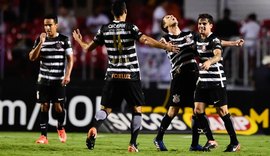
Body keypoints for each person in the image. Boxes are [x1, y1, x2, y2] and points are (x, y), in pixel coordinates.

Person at [72, 0, 179, 152]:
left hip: (112, 75)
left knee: (106, 109)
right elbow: (146, 40)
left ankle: (94, 128)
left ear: (112, 13)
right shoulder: (130, 27)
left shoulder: (104, 29)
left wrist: (79, 41)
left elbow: (89, 49)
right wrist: (165, 46)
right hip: (130, 75)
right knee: (137, 110)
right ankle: (132, 144)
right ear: (125, 11)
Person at [152, 14, 244, 152]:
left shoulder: (190, 35)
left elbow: (211, 41)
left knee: (197, 111)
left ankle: (195, 144)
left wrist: (233, 43)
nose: (171, 16)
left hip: (195, 75)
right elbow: (157, 44)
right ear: (165, 26)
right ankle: (158, 138)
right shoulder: (165, 39)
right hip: (179, 77)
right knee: (173, 110)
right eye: (167, 17)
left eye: (172, 15)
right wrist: (162, 45)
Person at [194, 13, 240, 152]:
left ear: (211, 26)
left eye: (204, 24)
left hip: (216, 80)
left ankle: (234, 142)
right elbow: (221, 42)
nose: (201, 26)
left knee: (222, 111)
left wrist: (209, 61)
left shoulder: (213, 39)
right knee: (198, 110)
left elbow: (218, 54)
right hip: (202, 80)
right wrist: (232, 43)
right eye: (200, 24)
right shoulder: (197, 38)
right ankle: (211, 140)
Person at [29, 14, 74, 144]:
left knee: (58, 107)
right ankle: (44, 136)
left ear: (56, 25)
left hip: (58, 79)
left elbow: (70, 59)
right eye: (45, 25)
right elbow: (32, 57)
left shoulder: (64, 40)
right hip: (43, 79)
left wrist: (68, 75)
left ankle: (60, 127)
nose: (47, 27)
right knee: (44, 106)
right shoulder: (40, 39)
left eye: (50, 25)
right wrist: (40, 44)